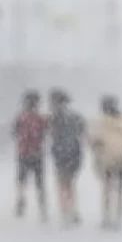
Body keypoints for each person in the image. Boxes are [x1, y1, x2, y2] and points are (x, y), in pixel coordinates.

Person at [89, 95, 122, 230]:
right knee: (120, 189)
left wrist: (97, 156)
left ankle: (107, 216)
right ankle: (118, 217)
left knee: (107, 188)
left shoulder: (101, 123)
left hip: (107, 159)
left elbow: (94, 142)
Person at [48, 89, 86, 227]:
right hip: (74, 154)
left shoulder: (54, 118)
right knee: (70, 184)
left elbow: (51, 135)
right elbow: (82, 134)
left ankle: (65, 211)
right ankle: (73, 210)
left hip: (60, 154)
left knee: (62, 184)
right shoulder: (76, 117)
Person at [13, 90, 49, 221]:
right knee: (39, 182)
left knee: (22, 180)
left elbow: (14, 133)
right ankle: (42, 207)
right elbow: (45, 134)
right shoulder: (41, 119)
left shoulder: (20, 118)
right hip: (37, 154)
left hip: (23, 153)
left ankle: (21, 200)